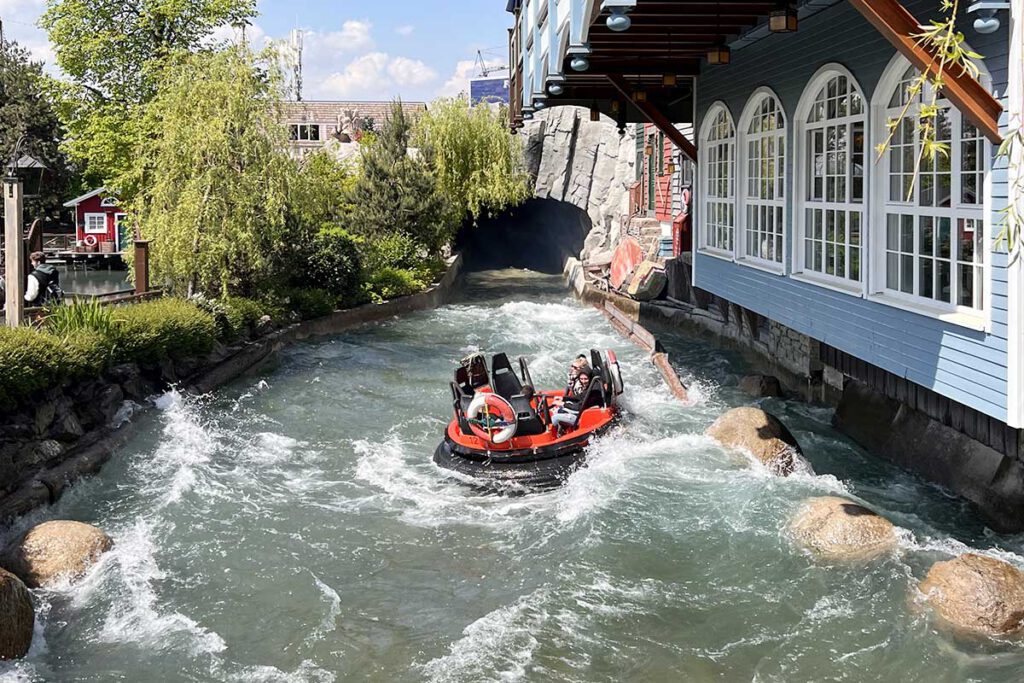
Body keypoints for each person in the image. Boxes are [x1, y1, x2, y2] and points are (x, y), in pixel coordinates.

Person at [551, 368, 593, 434]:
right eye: (581, 379)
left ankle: (553, 436)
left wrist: (563, 404)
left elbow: (578, 408)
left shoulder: (591, 391)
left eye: (586, 379)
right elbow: (578, 397)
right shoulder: (588, 388)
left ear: (590, 379)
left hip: (580, 417)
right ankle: (562, 429)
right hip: (580, 413)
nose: (583, 381)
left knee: (555, 417)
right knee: (560, 409)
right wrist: (563, 399)